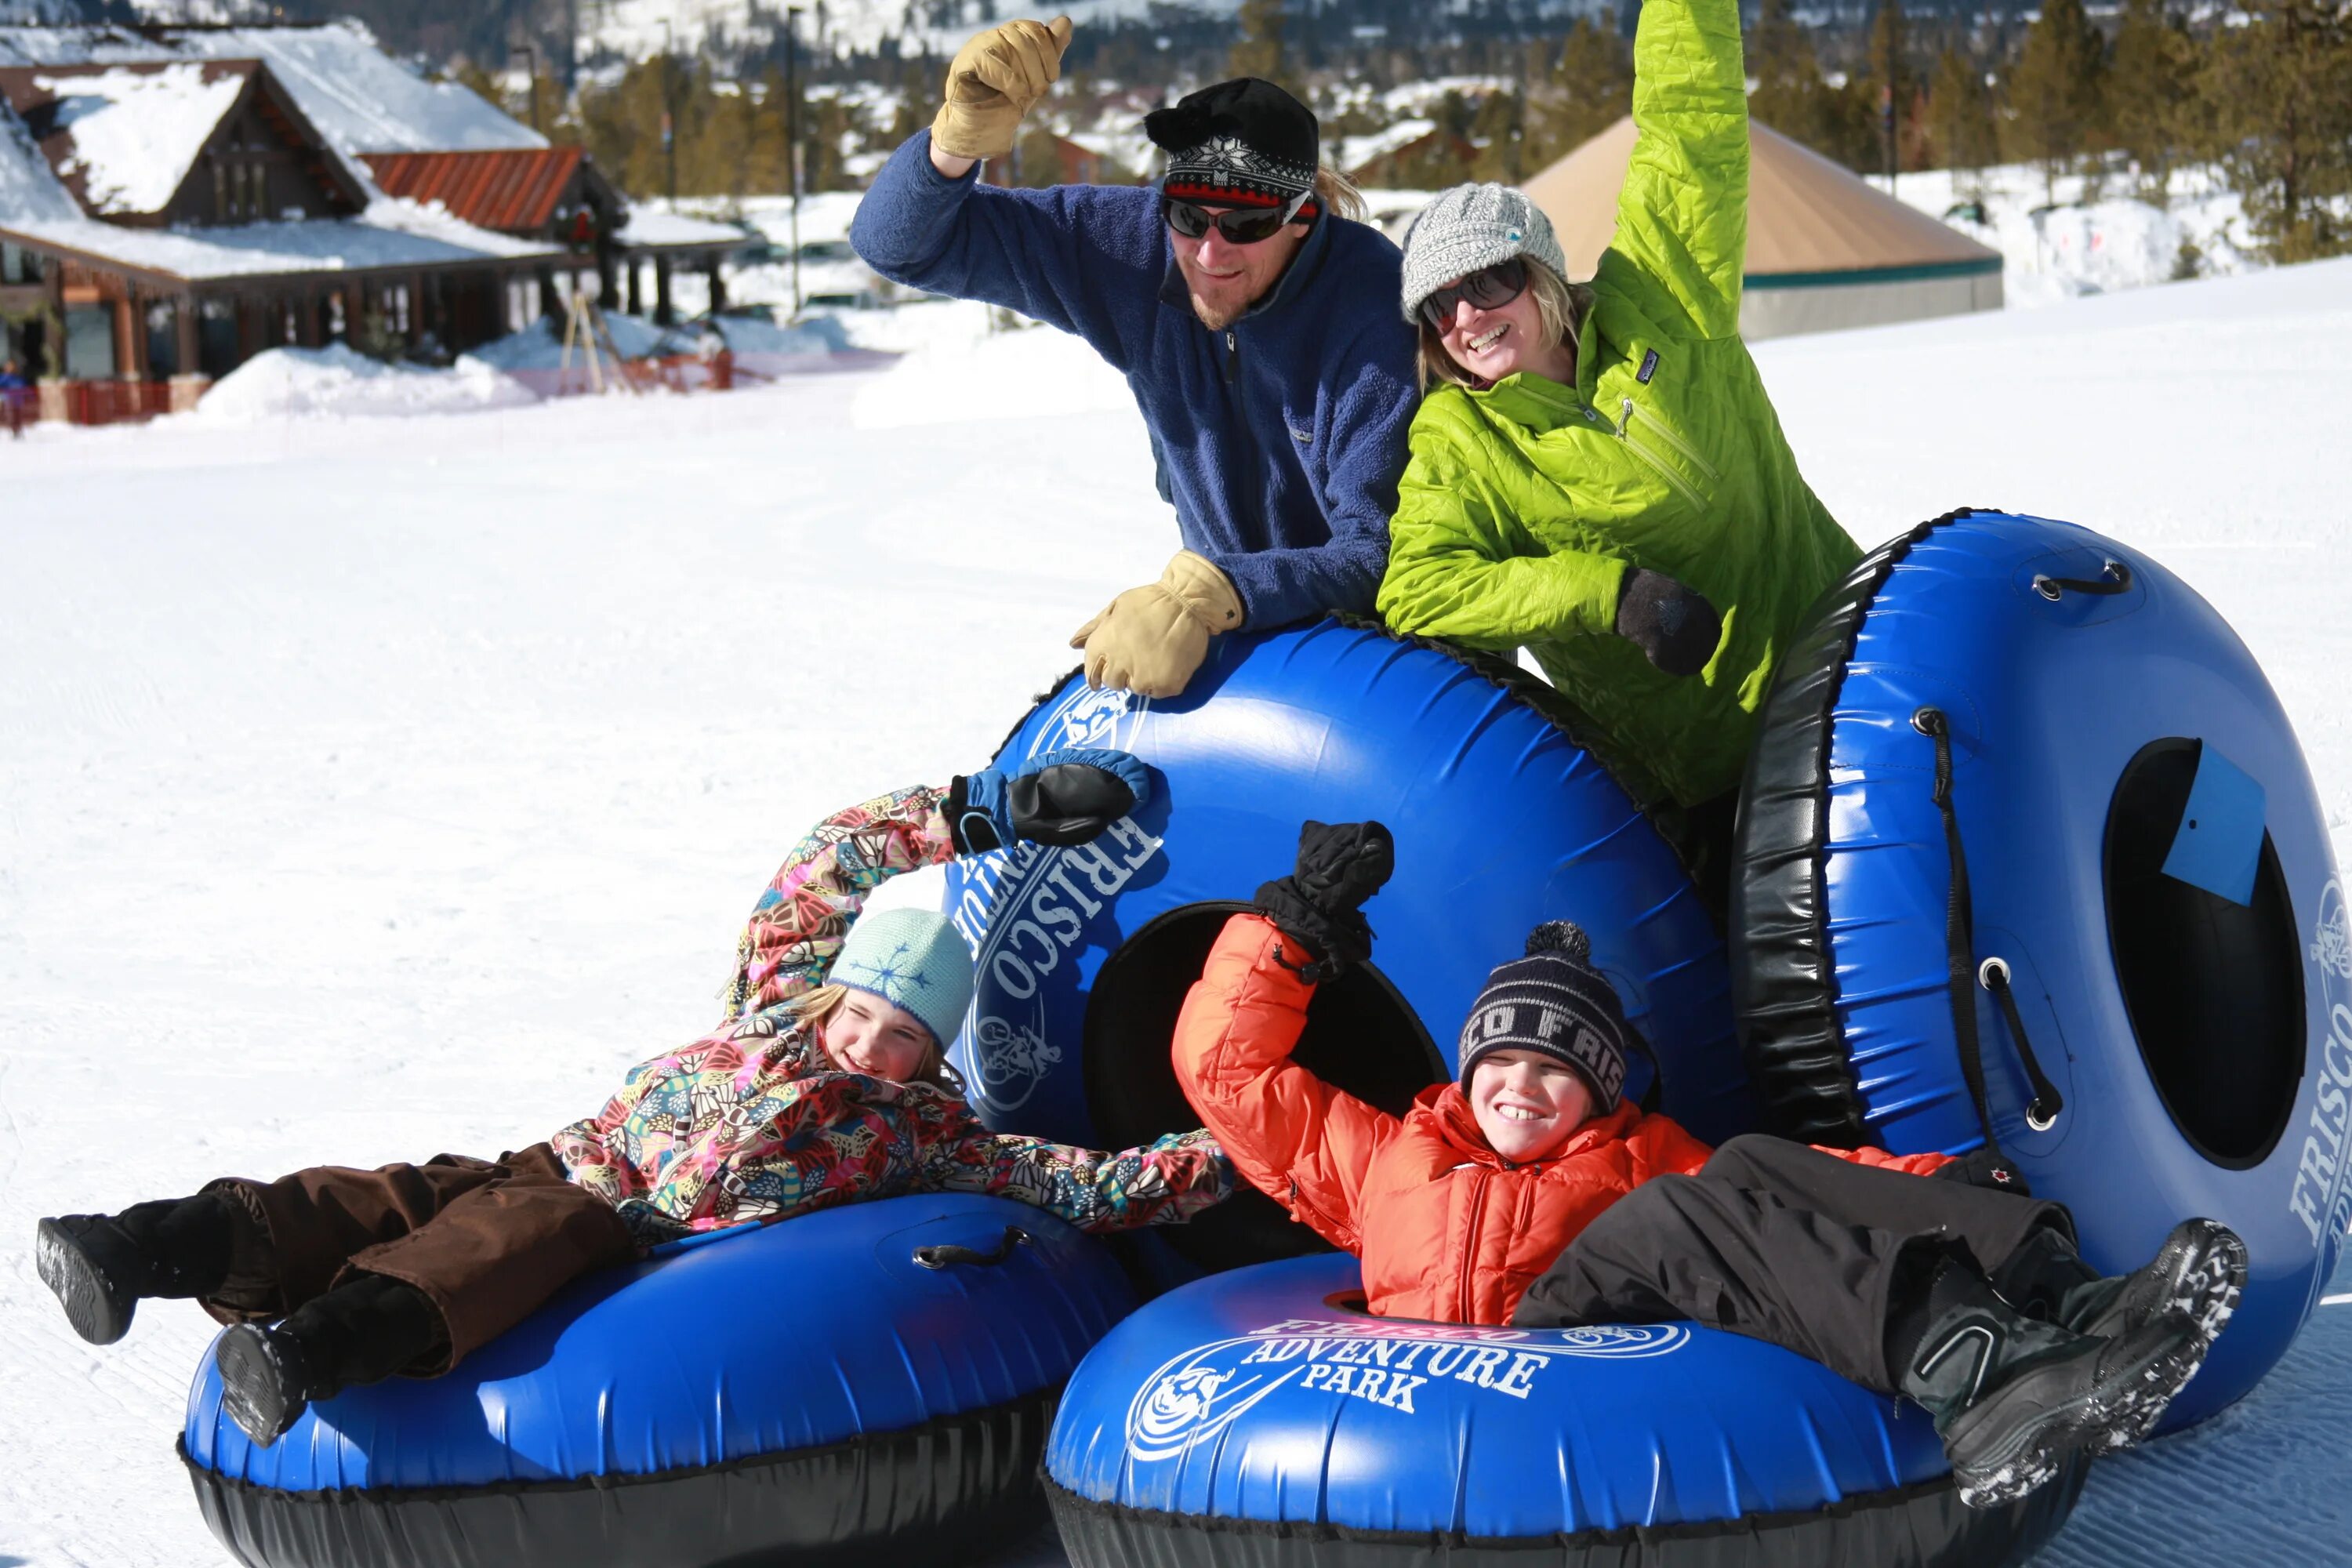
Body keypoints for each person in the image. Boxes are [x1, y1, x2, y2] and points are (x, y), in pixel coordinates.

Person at [34, 750, 1235, 1447]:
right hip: (567, 1153)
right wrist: (978, 815)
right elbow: (825, 868)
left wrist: (1243, 1142)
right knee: (381, 1197)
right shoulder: (774, 1000)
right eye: (864, 1015)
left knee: (513, 1242)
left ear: (931, 1065)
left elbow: (1070, 1182)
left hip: (636, 1236)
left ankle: (307, 1353)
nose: (870, 1044)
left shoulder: (921, 1135)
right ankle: (140, 1249)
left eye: (904, 1040)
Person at [1171, 821, 2245, 1507]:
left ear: (1599, 1088)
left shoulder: (1638, 1156)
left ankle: (2062, 1304)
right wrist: (1293, 928)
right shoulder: (1380, 1159)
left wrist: (1945, 1189)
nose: (1519, 1086)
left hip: (1586, 1374)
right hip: (1459, 1388)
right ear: (1466, 1067)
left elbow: (1800, 1190)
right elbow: (1220, 1069)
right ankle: (1970, 1367)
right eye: (1501, 1058)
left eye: (1556, 1070)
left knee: (1743, 1163)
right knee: (1674, 1214)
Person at [1372, 0, 1862, 893]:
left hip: (1851, 674)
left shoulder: (1661, 300)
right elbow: (1419, 589)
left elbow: (1690, 133)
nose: (1470, 316)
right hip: (1716, 786)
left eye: (1490, 278)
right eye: (1441, 307)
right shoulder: (1460, 440)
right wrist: (1608, 590)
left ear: (1544, 273)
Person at [850, 21, 1417, 699]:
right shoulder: (1129, 246)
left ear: (1303, 214)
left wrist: (1220, 591)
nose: (1211, 254)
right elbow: (895, 246)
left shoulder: (1374, 307)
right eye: (1188, 218)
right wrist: (953, 145)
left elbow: (1385, 553)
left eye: (1245, 227)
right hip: (1228, 646)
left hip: (1384, 666)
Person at [0, 356, 28, 437]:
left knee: (18, 417)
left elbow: (24, 388)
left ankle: (18, 431)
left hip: (18, 401)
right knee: (11, 417)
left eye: (12, 366)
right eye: (8, 366)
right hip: (9, 400)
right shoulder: (4, 377)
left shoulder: (18, 378)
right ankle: (13, 431)